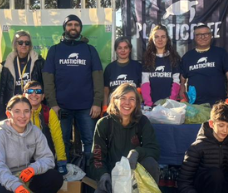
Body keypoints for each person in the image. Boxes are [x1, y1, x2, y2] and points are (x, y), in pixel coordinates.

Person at [90, 83, 161, 193]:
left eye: (132, 99)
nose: (127, 103)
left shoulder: (143, 122)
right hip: (113, 178)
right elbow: (96, 157)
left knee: (151, 164)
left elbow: (154, 150)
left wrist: (137, 152)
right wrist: (103, 175)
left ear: (137, 103)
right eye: (123, 98)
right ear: (115, 100)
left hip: (136, 178)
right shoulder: (104, 124)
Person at [42, 14, 104, 161]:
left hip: (87, 106)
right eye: (70, 24)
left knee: (90, 142)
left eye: (76, 25)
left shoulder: (90, 50)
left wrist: (97, 102)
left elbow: (98, 77)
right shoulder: (55, 50)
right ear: (65, 28)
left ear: (80, 28)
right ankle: (65, 175)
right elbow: (48, 79)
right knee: (61, 142)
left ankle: (91, 176)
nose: (73, 27)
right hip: (61, 107)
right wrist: (53, 104)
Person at [0, 95, 64, 193]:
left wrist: (33, 169)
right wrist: (17, 186)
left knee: (55, 178)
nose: (22, 116)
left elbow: (48, 159)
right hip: (1, 176)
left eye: (26, 111)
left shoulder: (35, 132)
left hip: (24, 174)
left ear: (30, 113)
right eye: (17, 111)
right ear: (9, 114)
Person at [181, 24, 228, 106]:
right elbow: (182, 82)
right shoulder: (187, 57)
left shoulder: (221, 53)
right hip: (195, 107)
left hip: (219, 106)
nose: (203, 37)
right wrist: (183, 100)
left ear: (211, 36)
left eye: (206, 34)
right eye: (199, 35)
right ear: (194, 37)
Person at [23, 80, 68, 175]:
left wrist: (61, 160)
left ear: (43, 96)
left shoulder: (49, 112)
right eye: (30, 92)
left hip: (44, 157)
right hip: (23, 159)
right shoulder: (19, 113)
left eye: (38, 92)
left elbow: (57, 137)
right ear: (24, 95)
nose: (34, 95)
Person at [140, 26, 182, 106]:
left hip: (170, 105)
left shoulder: (174, 57)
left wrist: (171, 102)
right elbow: (145, 82)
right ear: (152, 39)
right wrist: (149, 103)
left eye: (163, 37)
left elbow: (176, 81)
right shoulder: (147, 58)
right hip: (151, 105)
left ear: (167, 39)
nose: (160, 40)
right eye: (157, 37)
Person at [0, 30, 44, 101]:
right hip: (14, 104)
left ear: (30, 46)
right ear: (15, 45)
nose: (24, 45)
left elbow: (44, 86)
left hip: (33, 102)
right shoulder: (8, 64)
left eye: (27, 43)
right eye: (20, 42)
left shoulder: (38, 62)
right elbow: (2, 89)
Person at [104, 36, 142, 106]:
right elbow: (106, 91)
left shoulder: (138, 67)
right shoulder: (109, 68)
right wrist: (105, 106)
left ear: (130, 49)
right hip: (114, 108)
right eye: (119, 48)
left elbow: (143, 89)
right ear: (116, 50)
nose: (123, 50)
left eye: (126, 47)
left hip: (133, 107)